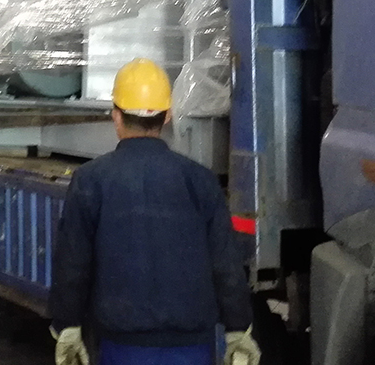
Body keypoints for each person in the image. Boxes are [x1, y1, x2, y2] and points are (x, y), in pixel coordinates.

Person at [49, 59, 259, 365]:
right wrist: (238, 329)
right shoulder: (201, 180)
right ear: (168, 115)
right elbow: (226, 263)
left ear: (116, 115)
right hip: (192, 347)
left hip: (122, 346)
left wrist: (67, 326)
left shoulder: (91, 180)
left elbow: (73, 261)